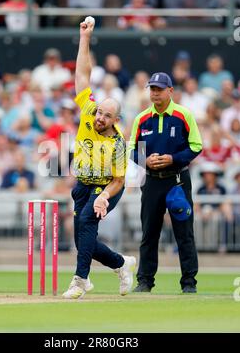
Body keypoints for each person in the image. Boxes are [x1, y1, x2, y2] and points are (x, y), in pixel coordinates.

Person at [62, 17, 136, 299]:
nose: (100, 117)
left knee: (87, 225)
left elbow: (119, 180)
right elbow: (82, 75)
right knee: (84, 240)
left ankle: (81, 281)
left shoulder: (118, 142)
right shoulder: (88, 113)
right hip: (83, 184)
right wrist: (84, 38)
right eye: (99, 112)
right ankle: (121, 263)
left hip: (105, 188)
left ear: (116, 119)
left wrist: (104, 196)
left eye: (107, 115)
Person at [129, 72, 203, 293]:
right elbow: (132, 150)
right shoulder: (141, 118)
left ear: (170, 91)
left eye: (159, 89)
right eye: (152, 89)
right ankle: (145, 281)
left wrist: (173, 159)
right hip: (152, 182)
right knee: (149, 233)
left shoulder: (183, 115)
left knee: (184, 233)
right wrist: (146, 161)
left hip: (178, 180)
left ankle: (189, 282)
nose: (155, 93)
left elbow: (196, 145)